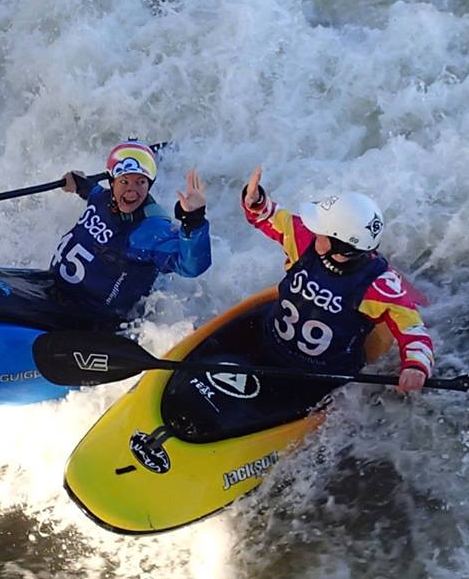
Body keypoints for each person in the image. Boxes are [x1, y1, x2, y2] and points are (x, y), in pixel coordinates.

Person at [241, 167, 433, 392]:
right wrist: (256, 201)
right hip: (269, 342)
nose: (314, 232)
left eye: (321, 231)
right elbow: (268, 216)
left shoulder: (378, 285)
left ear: (341, 246)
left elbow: (413, 329)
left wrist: (416, 366)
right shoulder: (306, 240)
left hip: (319, 377)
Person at [51, 140, 211, 321]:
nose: (131, 191)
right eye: (124, 181)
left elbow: (191, 266)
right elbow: (92, 190)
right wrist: (79, 183)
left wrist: (193, 220)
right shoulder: (102, 198)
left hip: (94, 318)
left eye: (140, 182)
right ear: (112, 183)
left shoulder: (150, 229)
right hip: (59, 291)